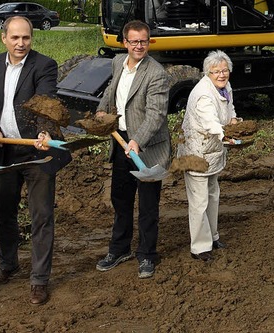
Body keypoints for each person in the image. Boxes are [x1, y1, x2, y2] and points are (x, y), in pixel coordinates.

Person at [0, 16, 72, 305]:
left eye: (26, 38)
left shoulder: (44, 65)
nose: (21, 44)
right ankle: (8, 264)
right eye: (15, 38)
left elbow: (45, 101)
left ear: (32, 39)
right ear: (4, 38)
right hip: (4, 151)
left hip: (37, 153)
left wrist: (44, 130)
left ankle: (39, 279)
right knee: (4, 212)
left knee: (41, 215)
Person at [94, 20, 171, 279]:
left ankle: (147, 254)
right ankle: (120, 248)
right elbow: (110, 92)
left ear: (149, 42)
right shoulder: (118, 63)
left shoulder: (156, 73)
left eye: (144, 41)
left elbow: (156, 115)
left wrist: (137, 140)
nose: (139, 46)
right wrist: (101, 113)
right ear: (124, 43)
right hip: (120, 141)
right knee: (121, 198)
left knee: (148, 204)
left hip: (147, 146)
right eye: (134, 41)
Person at [177, 50, 239, 262]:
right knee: (199, 200)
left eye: (225, 70)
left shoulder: (224, 86)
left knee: (213, 195)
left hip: (213, 151)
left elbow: (229, 108)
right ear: (207, 73)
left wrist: (234, 122)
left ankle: (212, 237)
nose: (221, 75)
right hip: (197, 153)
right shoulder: (203, 94)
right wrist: (225, 134)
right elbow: (210, 121)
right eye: (216, 72)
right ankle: (200, 247)